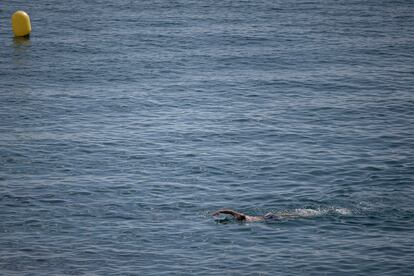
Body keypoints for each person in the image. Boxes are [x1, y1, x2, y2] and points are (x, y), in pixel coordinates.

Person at [212, 209, 283, 222]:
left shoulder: (248, 220)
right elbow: (229, 211)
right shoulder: (238, 216)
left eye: (237, 216)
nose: (236, 215)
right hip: (266, 216)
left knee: (284, 217)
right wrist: (218, 212)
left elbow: (230, 212)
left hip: (268, 218)